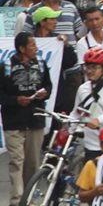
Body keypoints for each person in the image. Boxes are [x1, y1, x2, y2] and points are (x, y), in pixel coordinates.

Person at [0, 31, 53, 205]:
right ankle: (17, 200)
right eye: (32, 45)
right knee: (17, 161)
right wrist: (16, 100)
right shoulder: (6, 66)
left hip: (35, 120)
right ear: (22, 49)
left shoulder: (41, 64)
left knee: (32, 162)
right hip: (13, 122)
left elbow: (48, 85)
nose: (36, 48)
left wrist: (44, 94)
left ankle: (29, 198)